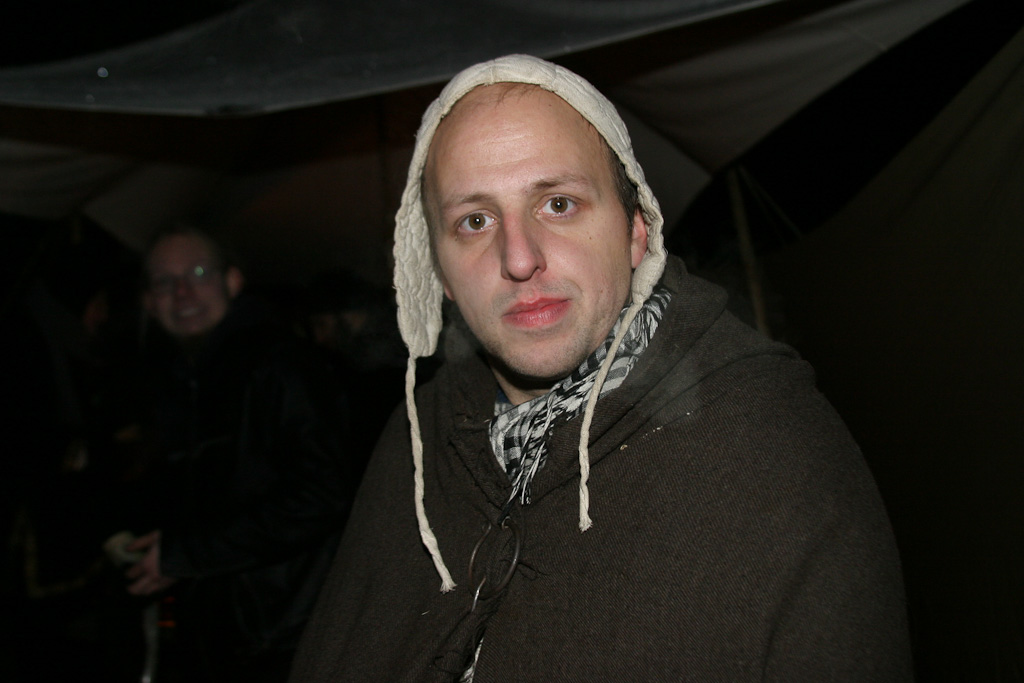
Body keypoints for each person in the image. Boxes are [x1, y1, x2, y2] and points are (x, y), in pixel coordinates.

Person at [289, 55, 912, 681]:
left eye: (558, 204)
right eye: (475, 221)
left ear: (636, 229)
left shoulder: (769, 451)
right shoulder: (419, 443)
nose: (519, 257)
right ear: (441, 274)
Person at [124, 227, 354, 682]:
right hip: (231, 633)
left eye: (197, 274)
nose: (182, 292)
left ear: (232, 282)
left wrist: (189, 555)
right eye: (165, 282)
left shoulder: (278, 366)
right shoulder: (186, 378)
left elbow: (323, 494)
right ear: (149, 301)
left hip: (288, 634)